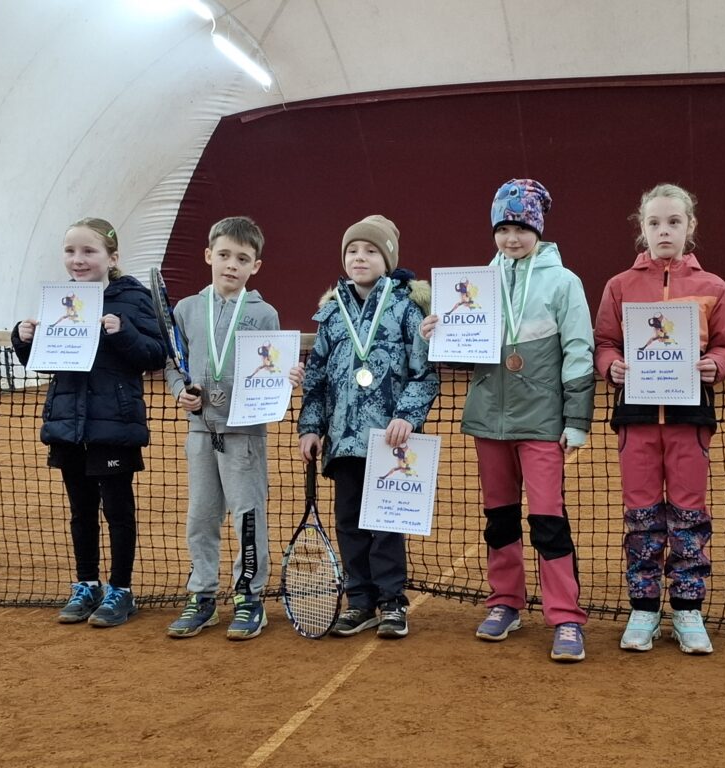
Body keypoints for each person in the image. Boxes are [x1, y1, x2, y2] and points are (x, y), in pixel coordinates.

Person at [421, 179, 595, 663]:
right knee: (499, 519)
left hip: (542, 423)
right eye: (503, 228)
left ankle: (565, 617)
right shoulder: (477, 284)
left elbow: (579, 352)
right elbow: (466, 355)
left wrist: (576, 420)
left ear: (537, 229)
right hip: (488, 424)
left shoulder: (564, 282)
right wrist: (436, 337)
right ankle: (505, 602)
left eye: (520, 227)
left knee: (548, 520)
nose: (511, 238)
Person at [594, 184, 725, 655]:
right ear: (642, 228)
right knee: (641, 515)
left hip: (689, 419)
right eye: (655, 222)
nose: (664, 231)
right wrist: (611, 367)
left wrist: (715, 364)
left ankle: (687, 609)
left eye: (674, 222)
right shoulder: (619, 286)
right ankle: (643, 608)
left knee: (688, 513)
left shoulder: (713, 287)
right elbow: (604, 343)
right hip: (636, 419)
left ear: (689, 226)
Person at [11, 217, 166, 627]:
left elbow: (155, 354)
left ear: (111, 258)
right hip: (68, 425)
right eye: (70, 251)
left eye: (88, 251)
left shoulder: (133, 299)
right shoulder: (59, 300)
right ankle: (87, 584)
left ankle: (121, 590)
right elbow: (46, 363)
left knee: (117, 510)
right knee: (81, 512)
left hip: (113, 426)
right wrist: (23, 340)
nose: (78, 260)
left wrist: (122, 331)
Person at [298, 215, 439, 640]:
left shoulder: (406, 308)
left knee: (386, 525)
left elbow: (424, 373)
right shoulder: (331, 314)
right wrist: (310, 427)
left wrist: (407, 416)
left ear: (388, 260)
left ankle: (392, 602)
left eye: (371, 251)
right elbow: (316, 379)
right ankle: (360, 602)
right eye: (353, 250)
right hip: (343, 442)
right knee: (349, 523)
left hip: (391, 442)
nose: (360, 257)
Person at [164, 216, 299, 641]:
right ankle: (202, 596)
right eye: (224, 255)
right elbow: (173, 362)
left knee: (247, 517)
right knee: (201, 518)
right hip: (200, 434)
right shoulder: (186, 309)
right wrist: (181, 392)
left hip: (244, 437)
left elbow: (272, 368)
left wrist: (287, 379)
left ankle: (249, 597)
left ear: (255, 266)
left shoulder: (264, 314)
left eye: (242, 259)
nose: (231, 265)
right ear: (208, 256)